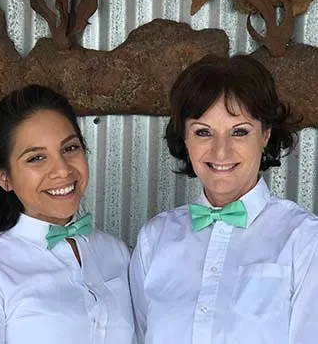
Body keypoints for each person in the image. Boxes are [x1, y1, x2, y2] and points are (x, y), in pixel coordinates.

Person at [129, 54, 318, 344]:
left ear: (265, 134)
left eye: (239, 132)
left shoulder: (305, 241)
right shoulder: (154, 239)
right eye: (203, 132)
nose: (221, 152)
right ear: (185, 138)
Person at [0, 85, 135, 344]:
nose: (62, 171)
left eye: (70, 149)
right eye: (36, 158)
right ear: (4, 178)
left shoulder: (117, 253)